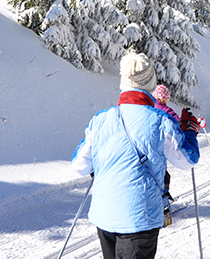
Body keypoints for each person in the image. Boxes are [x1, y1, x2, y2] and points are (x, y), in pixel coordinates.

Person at [72, 52, 200, 259]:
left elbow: (80, 165)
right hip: (140, 218)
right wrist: (191, 132)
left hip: (104, 215)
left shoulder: (101, 119)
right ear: (151, 83)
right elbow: (187, 160)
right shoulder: (162, 121)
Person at [153, 84, 180, 202]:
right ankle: (163, 199)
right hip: (162, 145)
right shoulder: (166, 110)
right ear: (164, 98)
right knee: (164, 174)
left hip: (150, 144)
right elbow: (176, 121)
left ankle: (157, 197)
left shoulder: (149, 107)